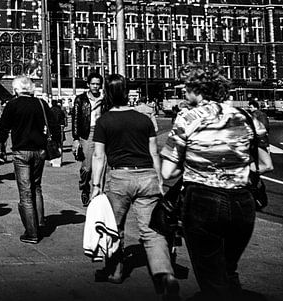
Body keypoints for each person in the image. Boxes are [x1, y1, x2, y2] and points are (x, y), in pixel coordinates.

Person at [161, 63, 273, 300]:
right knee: (228, 268)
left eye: (186, 88)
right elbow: (265, 165)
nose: (183, 92)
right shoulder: (247, 117)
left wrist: (199, 162)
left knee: (211, 277)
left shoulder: (187, 118)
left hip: (203, 201)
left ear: (195, 89)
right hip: (243, 203)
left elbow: (168, 171)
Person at [89, 74, 179, 298]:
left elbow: (99, 157)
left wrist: (95, 186)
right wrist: (159, 179)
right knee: (151, 231)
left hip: (120, 177)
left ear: (107, 94)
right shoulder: (144, 119)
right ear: (126, 93)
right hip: (147, 176)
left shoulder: (104, 121)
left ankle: (117, 271)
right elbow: (153, 153)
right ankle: (165, 274)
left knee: (114, 227)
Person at [0, 76, 55, 244]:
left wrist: (0, 147)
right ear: (31, 89)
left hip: (21, 152)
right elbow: (53, 123)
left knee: (25, 193)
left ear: (16, 90)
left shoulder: (12, 105)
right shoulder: (41, 104)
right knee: (36, 186)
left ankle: (32, 233)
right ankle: (39, 221)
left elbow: (3, 128)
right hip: (40, 151)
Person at [71, 72, 108, 206]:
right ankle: (84, 187)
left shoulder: (105, 99)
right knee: (87, 167)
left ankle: (99, 193)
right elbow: (75, 119)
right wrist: (75, 138)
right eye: (93, 83)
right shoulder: (81, 99)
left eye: (98, 84)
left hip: (102, 132)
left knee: (102, 165)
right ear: (88, 84)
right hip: (88, 133)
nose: (95, 86)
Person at [49, 99, 66, 167]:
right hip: (59, 129)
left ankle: (53, 160)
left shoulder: (49, 110)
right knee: (59, 144)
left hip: (51, 130)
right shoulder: (60, 110)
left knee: (52, 145)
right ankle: (59, 160)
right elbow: (63, 120)